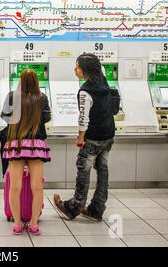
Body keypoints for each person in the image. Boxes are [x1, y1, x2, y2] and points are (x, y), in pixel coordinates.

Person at [54, 53, 115, 222]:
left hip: (93, 137)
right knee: (103, 171)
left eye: (78, 66)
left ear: (85, 70)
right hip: (108, 135)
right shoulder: (104, 83)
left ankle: (73, 207)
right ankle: (97, 208)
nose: (75, 69)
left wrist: (80, 138)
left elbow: (83, 118)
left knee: (84, 170)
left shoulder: (85, 90)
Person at [1, 69, 51, 236]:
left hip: (16, 143)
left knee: (15, 187)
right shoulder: (42, 98)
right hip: (36, 144)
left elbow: (5, 117)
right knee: (37, 186)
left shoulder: (12, 96)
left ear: (21, 81)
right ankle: (34, 223)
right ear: (36, 81)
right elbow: (47, 118)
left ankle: (17, 223)